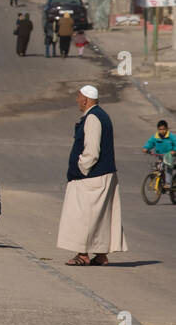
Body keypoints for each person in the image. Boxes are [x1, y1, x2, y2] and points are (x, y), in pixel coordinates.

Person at [57, 85, 126, 266]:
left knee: (84, 216)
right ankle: (101, 255)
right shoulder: (101, 115)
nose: (78, 101)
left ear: (86, 99)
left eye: (79, 97)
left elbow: (92, 151)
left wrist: (81, 168)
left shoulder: (93, 118)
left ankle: (83, 254)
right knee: (100, 216)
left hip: (92, 178)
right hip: (102, 175)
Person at [143, 120, 176, 188]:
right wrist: (146, 148)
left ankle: (168, 183)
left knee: (167, 167)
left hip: (170, 156)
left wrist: (174, 151)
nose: (162, 131)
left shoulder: (171, 136)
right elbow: (150, 142)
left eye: (164, 129)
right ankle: (159, 180)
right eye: (160, 129)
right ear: (158, 129)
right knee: (157, 167)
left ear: (167, 129)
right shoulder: (156, 136)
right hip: (161, 155)